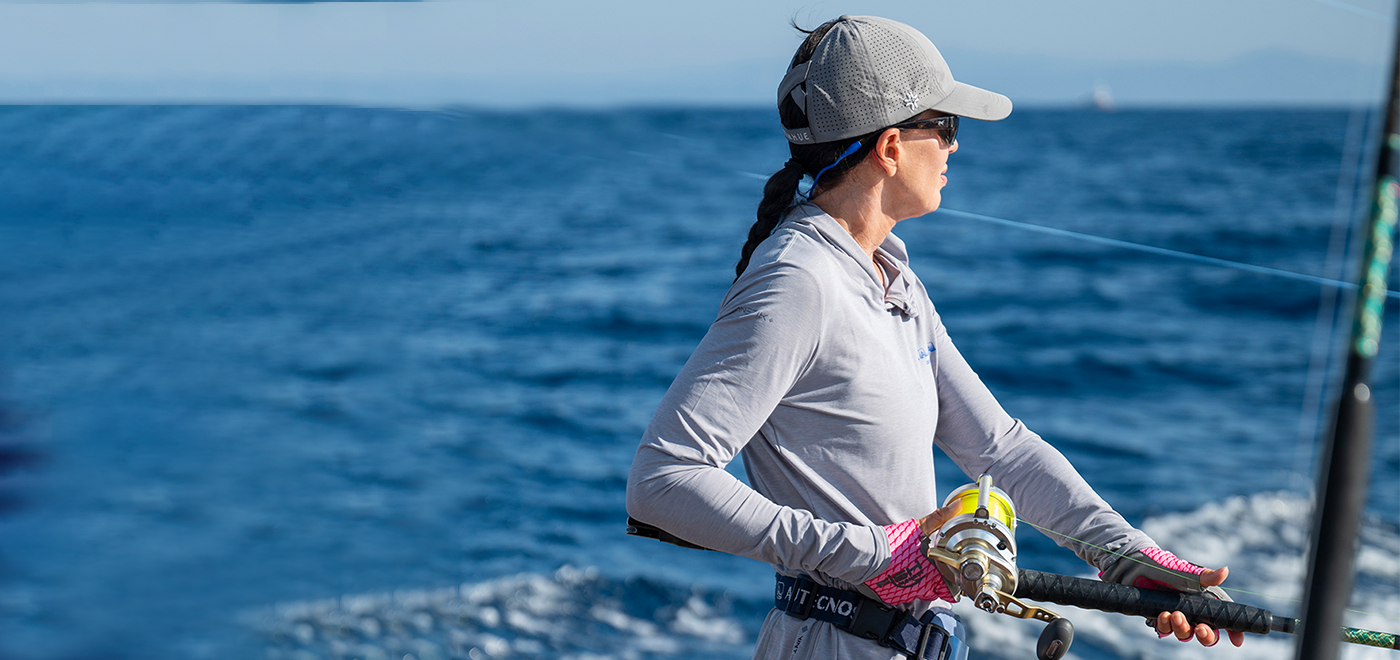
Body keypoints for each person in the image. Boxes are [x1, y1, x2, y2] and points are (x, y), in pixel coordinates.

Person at [625, 15, 1243, 660]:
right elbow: (664, 479)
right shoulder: (799, 281)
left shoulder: (890, 278)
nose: (954, 148)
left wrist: (1127, 556)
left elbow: (1000, 451)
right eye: (944, 127)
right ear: (890, 147)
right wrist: (877, 554)